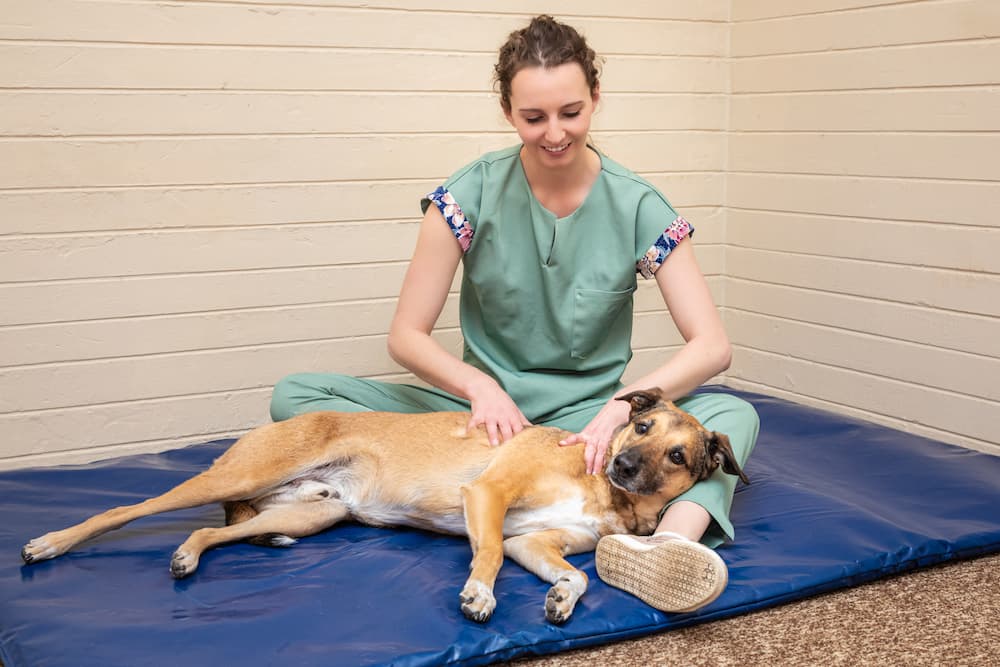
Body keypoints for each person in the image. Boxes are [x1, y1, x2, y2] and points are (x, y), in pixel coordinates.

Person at [270, 15, 758, 613]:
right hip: (484, 418)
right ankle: (425, 495)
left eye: (571, 112)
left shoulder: (639, 204)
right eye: (534, 118)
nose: (555, 133)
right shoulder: (466, 193)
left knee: (732, 413)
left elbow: (712, 346)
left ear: (596, 99)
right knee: (298, 396)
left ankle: (665, 546)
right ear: (508, 112)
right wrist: (481, 388)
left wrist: (616, 410)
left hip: (585, 425)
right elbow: (406, 335)